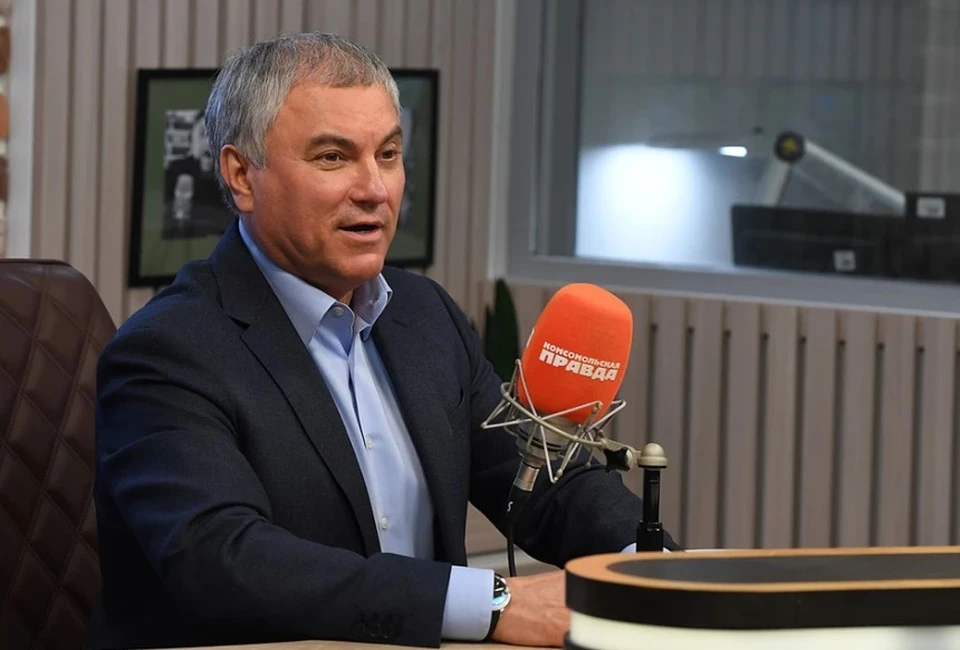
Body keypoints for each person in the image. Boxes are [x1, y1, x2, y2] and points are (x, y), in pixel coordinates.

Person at [87, 32, 677, 650]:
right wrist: (495, 602)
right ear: (242, 176)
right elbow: (224, 559)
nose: (375, 189)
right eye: (332, 157)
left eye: (388, 154)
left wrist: (653, 568)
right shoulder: (165, 351)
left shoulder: (424, 314)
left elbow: (538, 480)